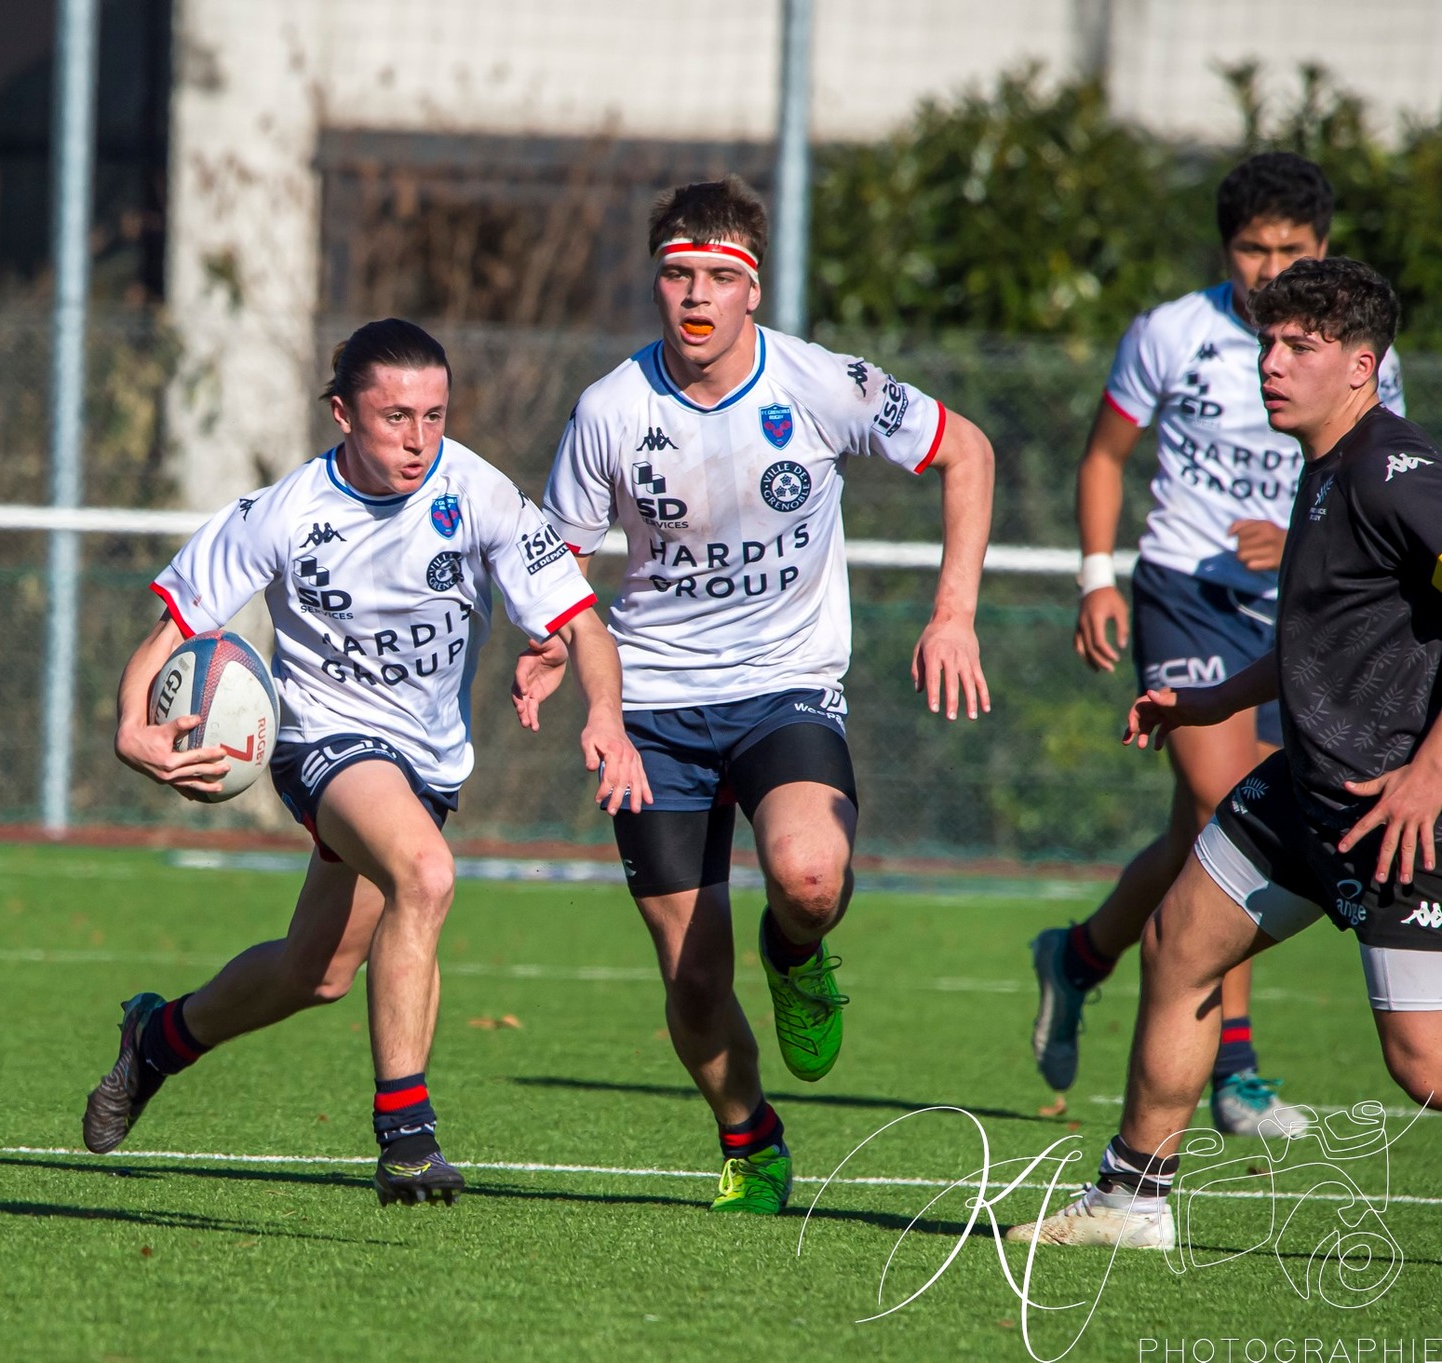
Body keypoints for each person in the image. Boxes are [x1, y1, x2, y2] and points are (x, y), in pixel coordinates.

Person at [82, 318, 649, 1207]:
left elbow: (579, 621)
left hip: (428, 762)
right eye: (395, 417)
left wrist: (609, 716)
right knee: (426, 872)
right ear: (343, 413)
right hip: (324, 743)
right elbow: (174, 628)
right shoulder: (285, 512)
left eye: (434, 414)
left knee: (319, 972)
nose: (419, 438)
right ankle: (407, 1135)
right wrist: (130, 724)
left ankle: (157, 1038)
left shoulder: (479, 491)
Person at [513, 177, 995, 1214]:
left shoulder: (822, 384)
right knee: (690, 980)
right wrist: (549, 649)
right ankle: (750, 1137)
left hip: (784, 690)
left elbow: (967, 450)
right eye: (676, 274)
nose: (693, 296)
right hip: (653, 711)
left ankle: (796, 950)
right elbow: (556, 554)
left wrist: (950, 613)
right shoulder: (609, 409)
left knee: (809, 876)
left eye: (715, 278)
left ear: (750, 288)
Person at [1012, 257, 1442, 1250]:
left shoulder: (1388, 468)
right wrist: (1202, 700)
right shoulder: (1323, 466)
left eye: (1299, 345)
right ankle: (1130, 1199)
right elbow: (1317, 639)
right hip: (1306, 789)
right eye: (1266, 343)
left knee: (1420, 1065)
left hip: (1396, 812)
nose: (1271, 364)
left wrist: (1427, 774)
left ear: (1360, 365)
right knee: (1174, 945)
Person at [1035, 154, 1405, 1136]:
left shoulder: (1362, 372)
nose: (1266, 266)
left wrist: (1298, 548)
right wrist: (1095, 575)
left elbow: (1372, 499)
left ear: (1321, 252)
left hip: (1295, 612)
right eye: (1251, 247)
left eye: (1289, 249)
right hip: (1186, 594)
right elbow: (1105, 455)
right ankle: (1230, 1074)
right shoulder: (1169, 333)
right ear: (1223, 249)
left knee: (1197, 839)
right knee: (1218, 801)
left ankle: (1076, 955)